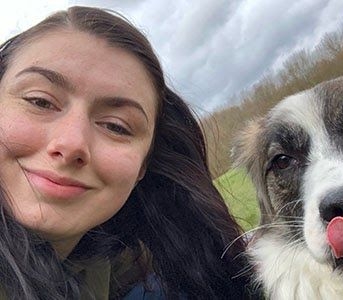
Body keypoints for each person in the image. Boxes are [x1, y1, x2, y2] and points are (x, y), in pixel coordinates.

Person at [0, 6, 260, 300]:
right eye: (40, 101)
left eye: (116, 126)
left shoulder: (136, 264)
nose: (72, 144)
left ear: (143, 166)